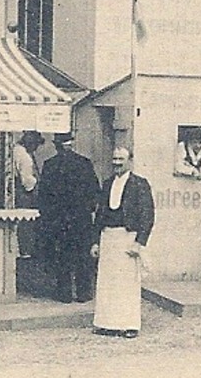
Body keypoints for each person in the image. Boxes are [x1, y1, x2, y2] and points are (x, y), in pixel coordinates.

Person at [92, 146, 155, 338]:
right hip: (108, 237)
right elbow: (100, 214)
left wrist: (139, 242)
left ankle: (129, 324)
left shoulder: (139, 184)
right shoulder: (108, 183)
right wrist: (96, 242)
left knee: (127, 283)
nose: (117, 163)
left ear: (130, 161)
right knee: (107, 282)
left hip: (127, 238)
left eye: (121, 159)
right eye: (115, 159)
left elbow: (147, 215)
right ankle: (106, 323)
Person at [37, 131, 101, 303]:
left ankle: (64, 293)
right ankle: (84, 293)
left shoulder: (50, 165)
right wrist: (88, 209)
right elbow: (95, 191)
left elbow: (43, 195)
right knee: (82, 256)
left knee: (63, 256)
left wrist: (49, 216)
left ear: (57, 145)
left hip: (59, 220)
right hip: (81, 219)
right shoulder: (85, 163)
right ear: (71, 143)